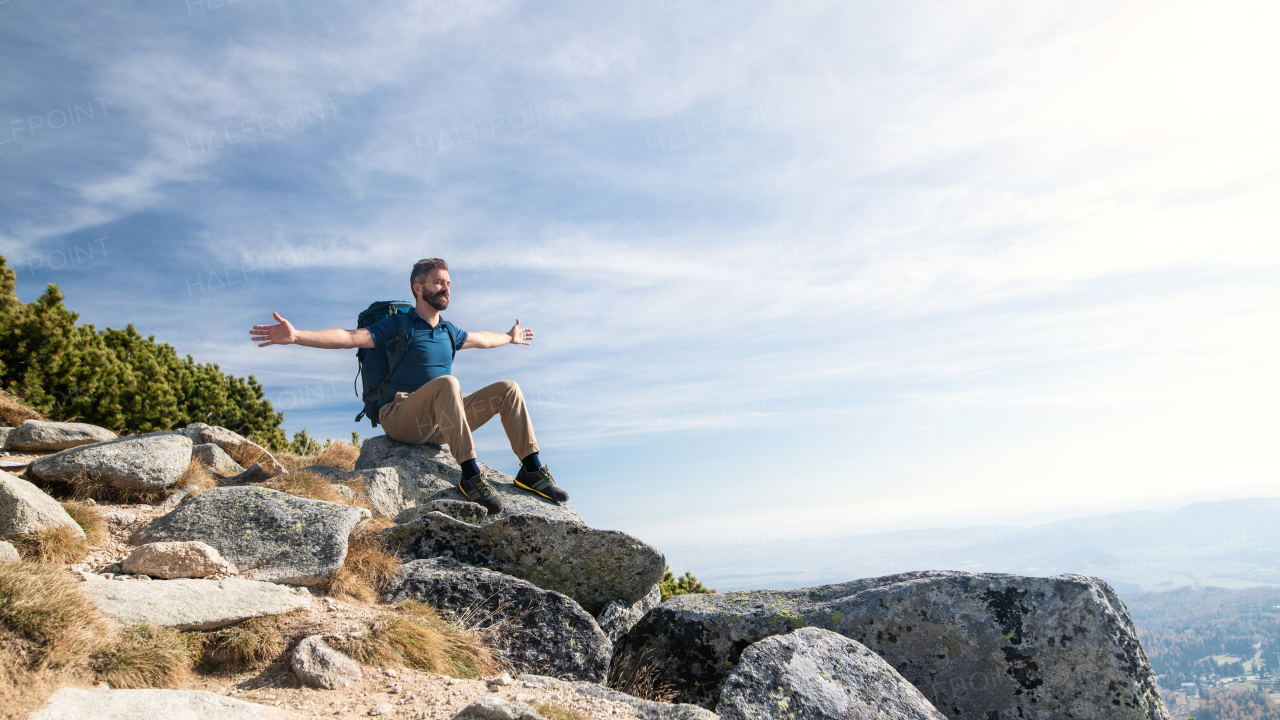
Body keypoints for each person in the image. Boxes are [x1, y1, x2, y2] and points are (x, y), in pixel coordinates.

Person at [248, 257, 566, 514]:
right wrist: (297, 335)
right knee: (448, 383)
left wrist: (509, 338)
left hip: (441, 421)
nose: (446, 289)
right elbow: (349, 338)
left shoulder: (448, 331)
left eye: (449, 283)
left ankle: (531, 471)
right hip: (400, 415)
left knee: (508, 388)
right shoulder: (399, 324)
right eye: (438, 282)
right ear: (418, 287)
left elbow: (482, 339)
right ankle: (470, 476)